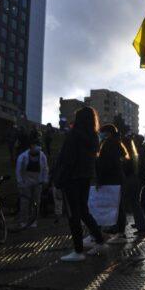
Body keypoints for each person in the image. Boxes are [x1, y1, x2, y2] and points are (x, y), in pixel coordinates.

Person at [54, 107, 104, 262]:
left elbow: (67, 160)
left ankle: (78, 250)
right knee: (83, 211)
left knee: (73, 214)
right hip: (85, 177)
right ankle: (100, 240)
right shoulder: (94, 137)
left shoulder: (73, 135)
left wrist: (58, 180)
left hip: (71, 178)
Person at [94, 124, 129, 244]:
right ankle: (119, 233)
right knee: (118, 206)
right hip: (117, 179)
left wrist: (100, 179)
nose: (101, 135)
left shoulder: (109, 144)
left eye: (102, 132)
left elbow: (106, 164)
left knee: (113, 206)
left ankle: (119, 234)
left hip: (112, 180)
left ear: (108, 133)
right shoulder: (117, 143)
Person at [16, 140, 49, 228]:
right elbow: (18, 170)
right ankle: (23, 221)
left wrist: (45, 180)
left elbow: (45, 168)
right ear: (31, 146)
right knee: (25, 202)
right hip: (25, 182)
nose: (38, 148)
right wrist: (20, 182)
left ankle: (34, 220)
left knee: (36, 202)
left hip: (38, 182)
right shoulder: (22, 157)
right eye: (36, 146)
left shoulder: (42, 156)